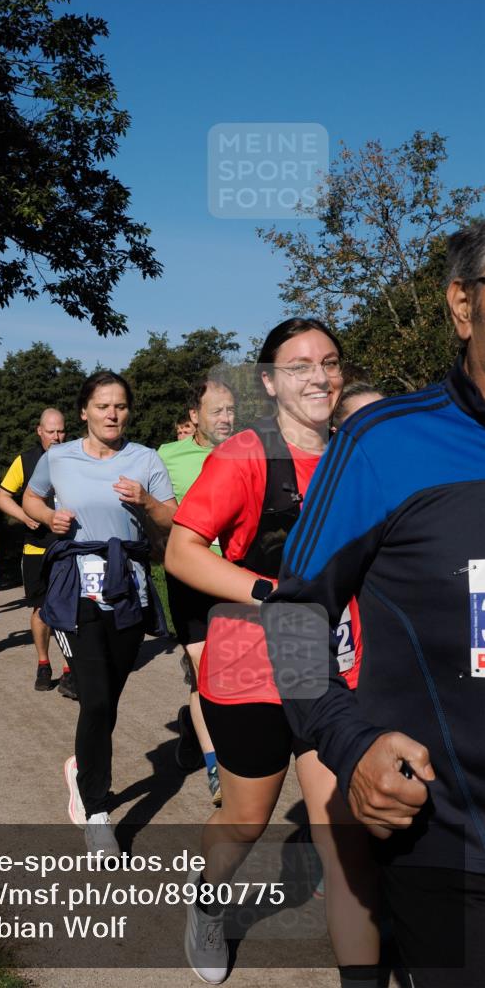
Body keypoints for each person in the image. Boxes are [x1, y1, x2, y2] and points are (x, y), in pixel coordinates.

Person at [263, 222, 485, 988]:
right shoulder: (385, 445)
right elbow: (294, 621)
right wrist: (350, 744)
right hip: (453, 847)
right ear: (464, 304)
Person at [166, 319, 382, 987]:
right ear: (269, 380)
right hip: (251, 665)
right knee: (245, 823)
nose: (319, 375)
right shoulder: (245, 456)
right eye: (299, 365)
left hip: (332, 668)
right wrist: (274, 594)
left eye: (330, 362)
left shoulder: (357, 454)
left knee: (343, 838)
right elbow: (181, 552)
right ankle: (208, 902)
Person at [23, 372, 177, 857]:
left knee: (108, 698)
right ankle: (96, 809)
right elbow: (31, 495)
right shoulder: (58, 457)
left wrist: (147, 501)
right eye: (104, 406)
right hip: (76, 589)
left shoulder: (145, 459)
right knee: (93, 699)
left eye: (121, 406)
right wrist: (49, 518)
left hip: (128, 587)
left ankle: (80, 766)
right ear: (85, 411)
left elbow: (173, 516)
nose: (113, 414)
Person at [159, 378, 236, 805]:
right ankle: (215, 766)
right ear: (194, 416)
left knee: (237, 670)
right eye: (217, 410)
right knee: (204, 665)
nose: (226, 418)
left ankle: (194, 724)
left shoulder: (249, 449)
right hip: (191, 572)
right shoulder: (167, 456)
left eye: (230, 410)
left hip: (239, 575)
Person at [0, 408, 76, 697]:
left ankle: (71, 670)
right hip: (37, 546)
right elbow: (2, 496)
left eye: (61, 431)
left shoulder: (75, 457)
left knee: (70, 607)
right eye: (51, 431)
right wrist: (25, 516)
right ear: (39, 431)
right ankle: (44, 664)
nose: (56, 437)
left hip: (68, 545)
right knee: (41, 609)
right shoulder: (25, 460)